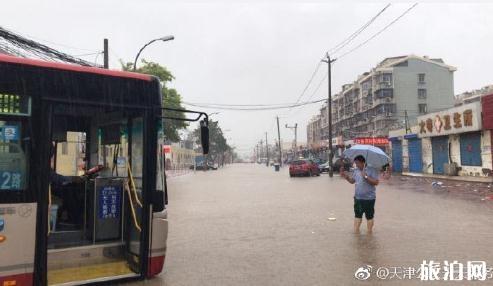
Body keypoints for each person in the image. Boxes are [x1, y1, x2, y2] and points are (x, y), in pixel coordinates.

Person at [340, 155, 379, 234]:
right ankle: (356, 233)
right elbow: (352, 181)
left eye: (357, 163)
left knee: (369, 216)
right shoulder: (356, 171)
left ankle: (369, 233)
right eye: (355, 163)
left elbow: (376, 182)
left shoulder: (372, 170)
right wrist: (345, 176)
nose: (356, 165)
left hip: (369, 199)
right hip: (358, 198)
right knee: (357, 215)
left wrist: (366, 176)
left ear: (363, 162)